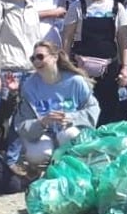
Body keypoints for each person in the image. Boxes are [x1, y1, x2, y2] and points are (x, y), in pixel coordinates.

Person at [14, 42, 99, 171]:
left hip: (69, 131)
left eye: (40, 57)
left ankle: (73, 169)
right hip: (44, 134)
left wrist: (71, 118)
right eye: (33, 58)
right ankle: (44, 172)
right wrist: (42, 122)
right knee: (36, 154)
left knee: (69, 135)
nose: (36, 61)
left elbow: (93, 109)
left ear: (55, 57)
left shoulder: (75, 81)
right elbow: (22, 123)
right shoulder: (29, 86)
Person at [62, 0, 127, 125]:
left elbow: (123, 40)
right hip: (81, 68)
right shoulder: (77, 6)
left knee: (108, 108)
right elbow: (67, 37)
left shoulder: (117, 7)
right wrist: (65, 63)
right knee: (81, 106)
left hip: (108, 69)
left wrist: (124, 68)